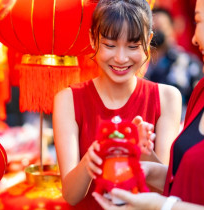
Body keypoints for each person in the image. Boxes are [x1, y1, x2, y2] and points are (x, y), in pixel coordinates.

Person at [93, 0, 204, 209]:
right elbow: (194, 179)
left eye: (198, 20)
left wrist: (162, 206)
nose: (193, 38)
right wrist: (150, 171)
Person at [53, 0, 182, 208]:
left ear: (148, 40)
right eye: (110, 45)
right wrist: (90, 160)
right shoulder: (67, 100)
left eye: (132, 46)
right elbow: (71, 195)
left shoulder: (167, 97)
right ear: (93, 40)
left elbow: (166, 190)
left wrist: (145, 151)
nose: (121, 58)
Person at [145, 7, 203, 120]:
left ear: (172, 29)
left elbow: (200, 103)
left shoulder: (188, 63)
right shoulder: (140, 64)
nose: (157, 33)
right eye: (153, 29)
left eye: (161, 28)